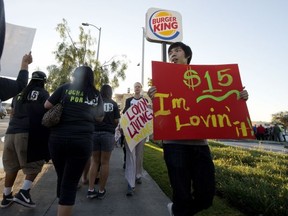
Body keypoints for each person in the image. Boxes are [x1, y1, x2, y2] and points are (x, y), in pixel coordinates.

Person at [147, 42, 249, 216]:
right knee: (181, 195)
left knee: (206, 196)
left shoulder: (202, 78)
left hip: (200, 146)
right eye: (170, 52)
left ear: (187, 56)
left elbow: (219, 100)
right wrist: (152, 98)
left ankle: (178, 211)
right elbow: (158, 115)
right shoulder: (161, 82)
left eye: (177, 50)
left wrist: (240, 96)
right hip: (174, 145)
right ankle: (179, 210)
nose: (173, 54)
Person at [44, 66, 104, 216]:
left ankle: (62, 203)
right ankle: (64, 205)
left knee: (62, 174)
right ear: (91, 78)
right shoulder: (95, 94)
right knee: (70, 182)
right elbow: (100, 117)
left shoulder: (65, 88)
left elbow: (47, 105)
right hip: (82, 141)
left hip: (58, 139)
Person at [1, 71, 50, 208]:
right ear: (43, 82)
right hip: (28, 133)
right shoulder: (43, 93)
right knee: (35, 163)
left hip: (10, 133)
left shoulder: (18, 93)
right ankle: (24, 192)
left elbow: (13, 113)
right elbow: (47, 114)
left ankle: (6, 196)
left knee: (11, 166)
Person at [87, 84, 120, 199]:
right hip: (107, 134)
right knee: (105, 163)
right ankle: (101, 191)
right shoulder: (114, 104)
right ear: (110, 92)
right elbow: (116, 121)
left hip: (94, 133)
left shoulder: (95, 102)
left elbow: (90, 117)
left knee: (94, 161)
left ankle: (91, 189)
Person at [122, 82, 147, 196]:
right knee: (131, 156)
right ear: (134, 88)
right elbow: (125, 114)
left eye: (139, 86)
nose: (137, 88)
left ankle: (138, 175)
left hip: (141, 133)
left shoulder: (145, 101)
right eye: (135, 86)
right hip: (130, 133)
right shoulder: (128, 101)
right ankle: (130, 183)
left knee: (139, 155)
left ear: (141, 89)